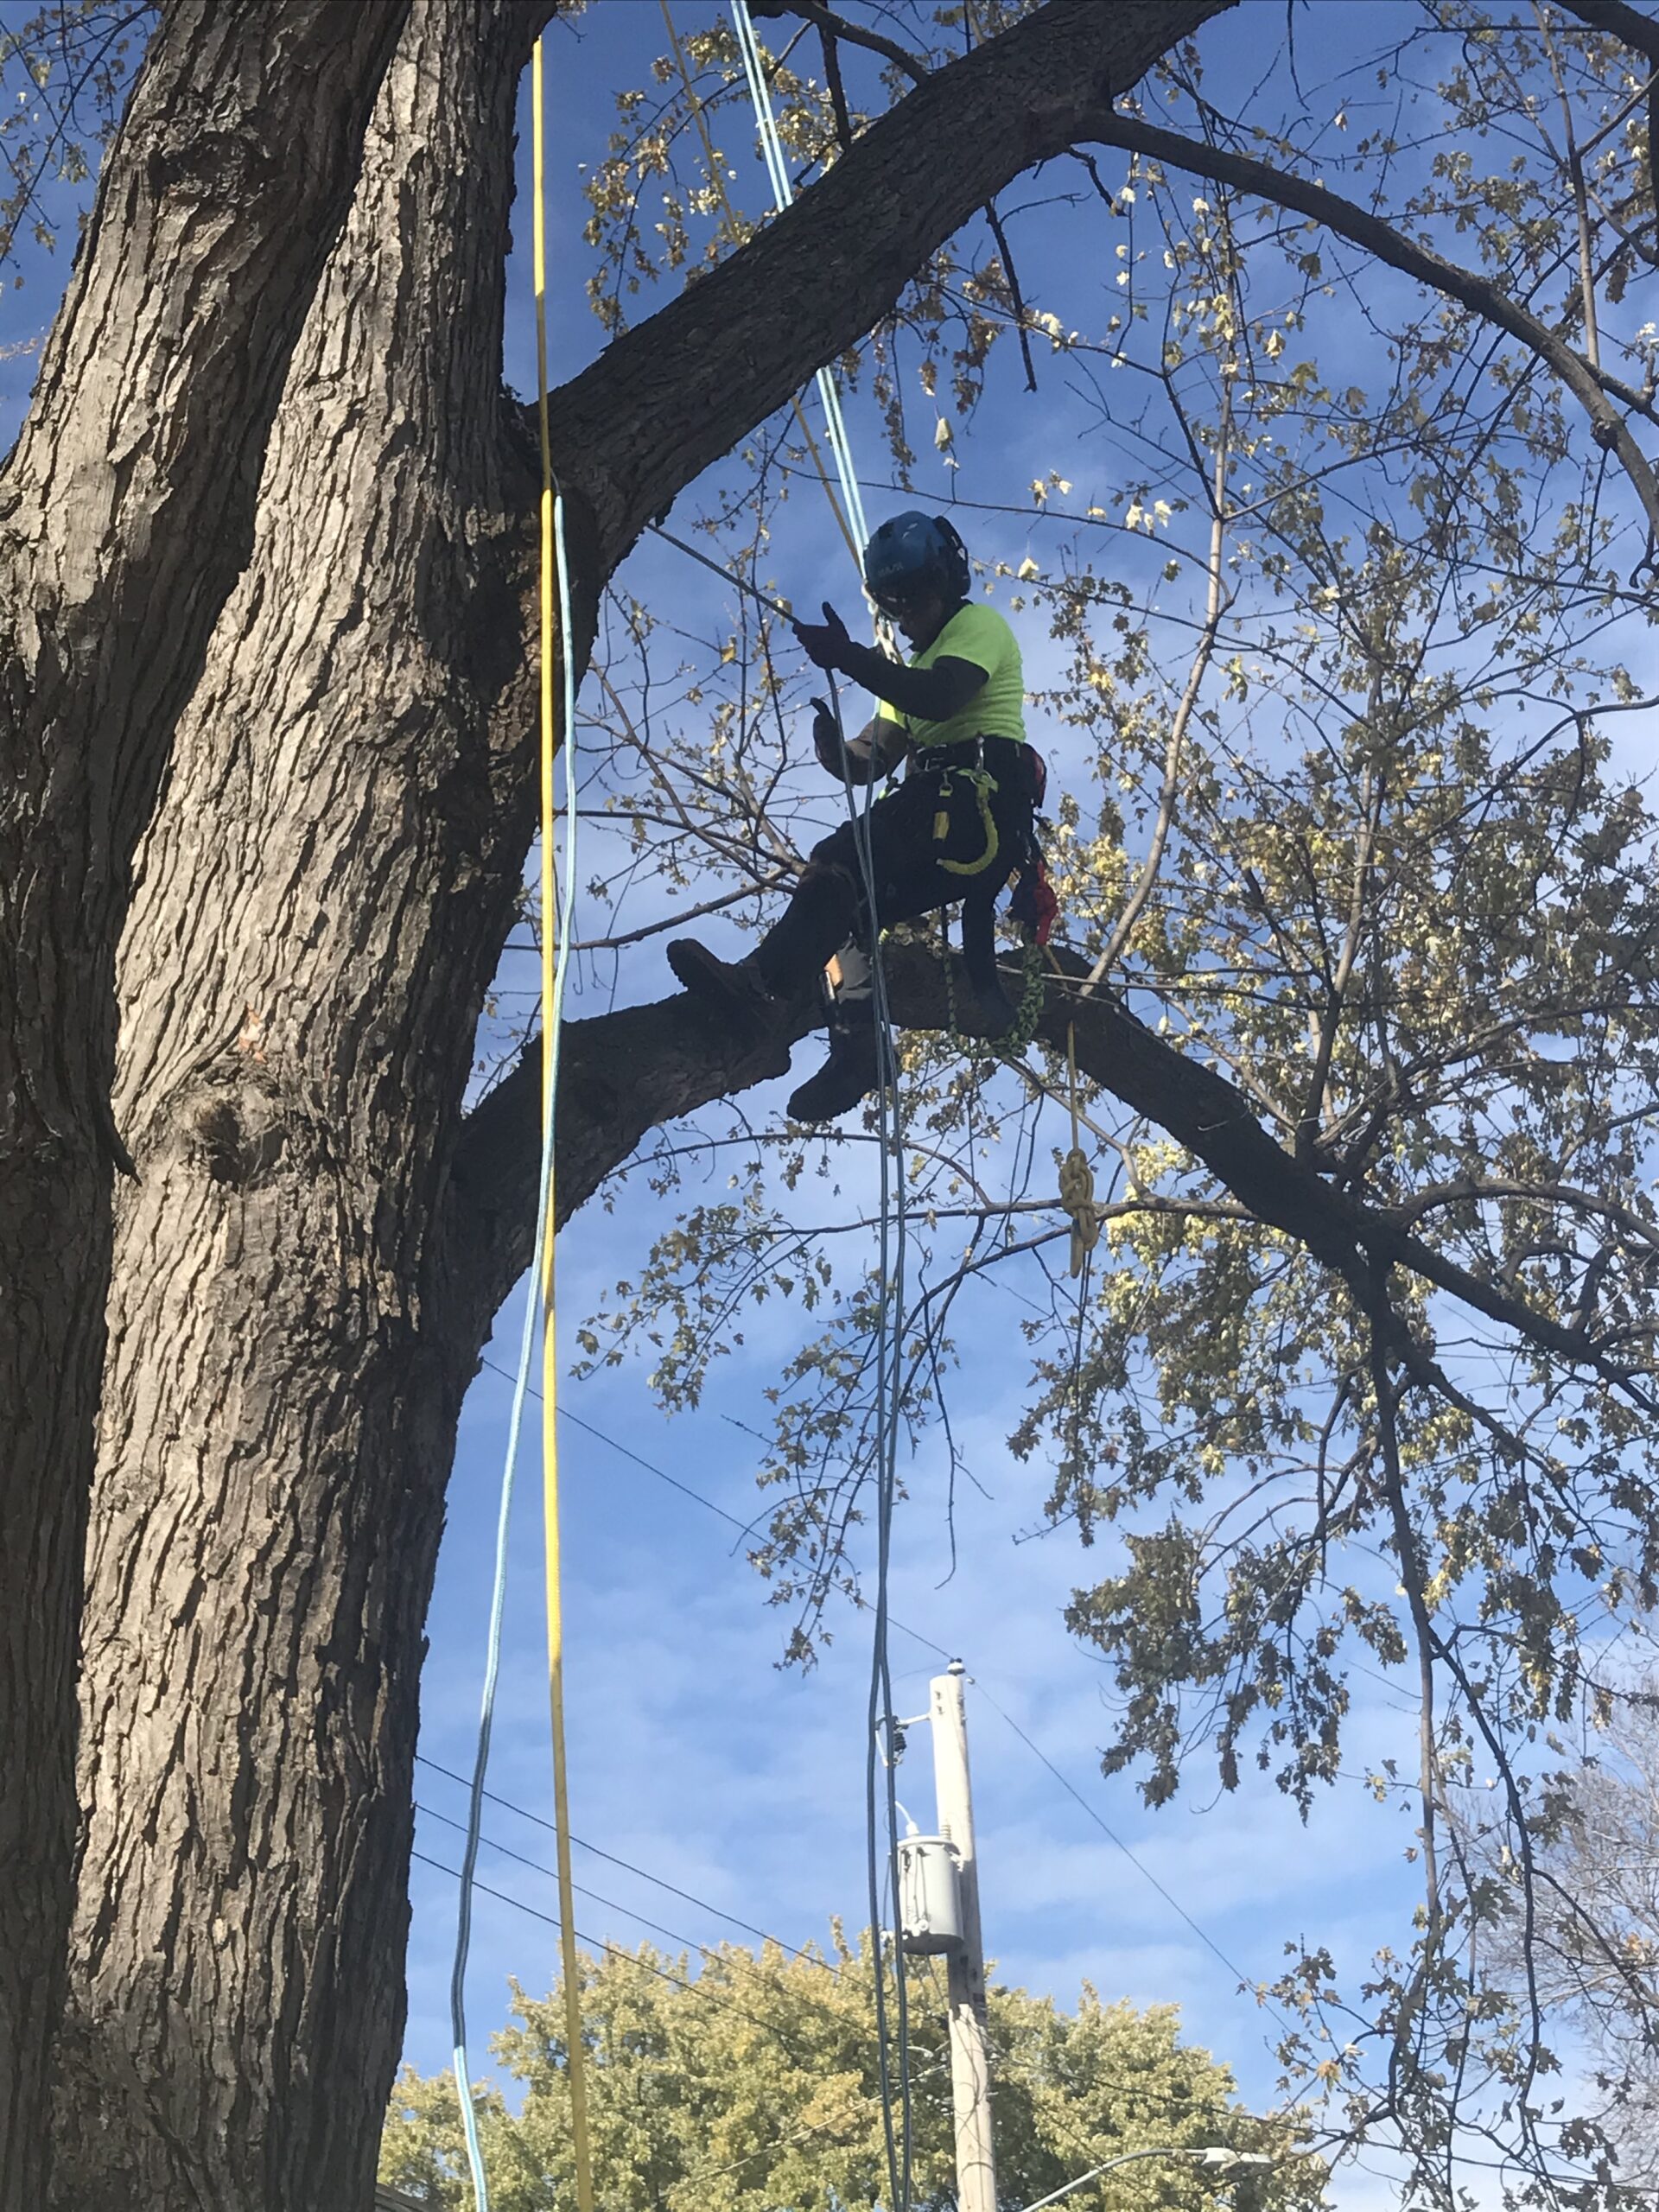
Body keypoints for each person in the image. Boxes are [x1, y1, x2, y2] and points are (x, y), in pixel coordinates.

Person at [667, 511, 1043, 1120]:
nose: (907, 611)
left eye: (914, 594)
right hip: (938, 813)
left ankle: (762, 984)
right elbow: (871, 760)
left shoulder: (977, 629)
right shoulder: (905, 676)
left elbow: (940, 696)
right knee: (843, 906)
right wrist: (834, 749)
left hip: (974, 804)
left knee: (838, 862)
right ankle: (859, 1051)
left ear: (946, 582)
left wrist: (849, 658)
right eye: (893, 601)